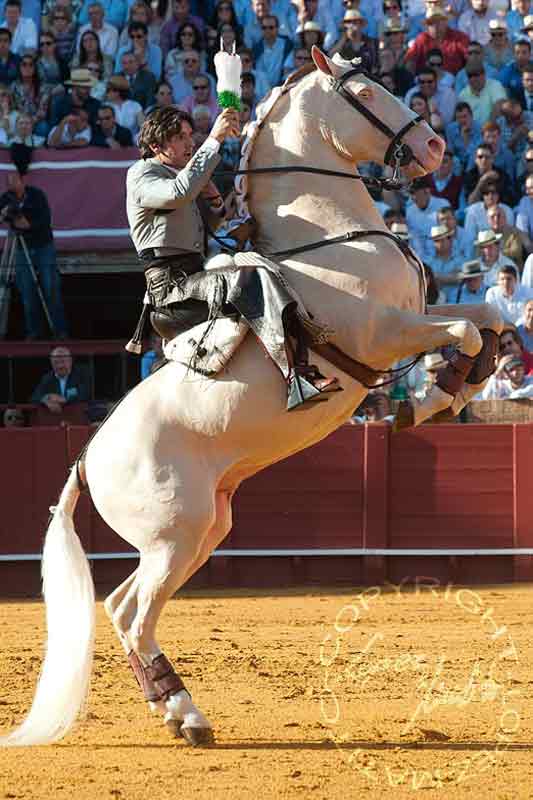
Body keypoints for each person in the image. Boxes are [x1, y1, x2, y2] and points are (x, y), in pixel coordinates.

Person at [126, 106, 340, 411]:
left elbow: (207, 220)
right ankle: (295, 377)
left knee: (263, 266)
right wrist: (214, 139)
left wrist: (215, 200)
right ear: (156, 147)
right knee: (252, 277)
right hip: (171, 291)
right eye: (179, 137)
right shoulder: (141, 173)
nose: (190, 143)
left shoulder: (180, 175)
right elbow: (177, 194)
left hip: (192, 278)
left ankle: (303, 362)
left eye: (190, 135)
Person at [0, 170, 68, 340]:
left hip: (43, 245)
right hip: (21, 247)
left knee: (49, 287)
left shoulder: (37, 196)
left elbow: (43, 221)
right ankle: (33, 332)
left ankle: (59, 330)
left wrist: (26, 223)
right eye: (9, 182)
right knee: (27, 290)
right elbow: (5, 216)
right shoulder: (6, 198)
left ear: (22, 181)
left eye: (14, 180)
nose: (12, 185)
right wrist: (6, 214)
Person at [31, 346, 90, 412]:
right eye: (56, 362)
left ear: (70, 361)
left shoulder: (81, 375)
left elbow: (85, 394)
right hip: (54, 417)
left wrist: (64, 399)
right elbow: (35, 397)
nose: (60, 366)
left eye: (63, 361)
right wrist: (46, 400)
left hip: (77, 415)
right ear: (51, 363)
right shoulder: (47, 378)